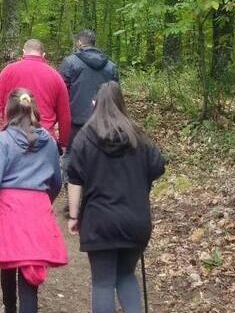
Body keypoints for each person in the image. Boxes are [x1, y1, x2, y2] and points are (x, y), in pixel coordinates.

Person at [66, 81, 165, 313]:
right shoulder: (138, 136)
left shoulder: (84, 137)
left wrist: (73, 216)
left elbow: (74, 179)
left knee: (103, 282)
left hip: (100, 221)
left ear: (95, 105)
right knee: (126, 275)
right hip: (135, 220)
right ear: (122, 104)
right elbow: (158, 167)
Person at [0, 89, 68, 313]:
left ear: (9, 111)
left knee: (9, 260)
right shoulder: (50, 142)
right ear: (34, 109)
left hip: (9, 208)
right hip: (38, 206)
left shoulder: (3, 140)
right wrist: (44, 200)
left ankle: (10, 308)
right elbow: (56, 181)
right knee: (30, 269)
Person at [0, 39, 71, 153]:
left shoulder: (8, 71)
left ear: (23, 52)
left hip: (12, 137)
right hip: (44, 139)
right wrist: (64, 142)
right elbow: (64, 114)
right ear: (43, 55)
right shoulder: (55, 77)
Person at [59, 30, 119, 176]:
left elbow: (61, 91)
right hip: (103, 119)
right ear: (94, 43)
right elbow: (116, 93)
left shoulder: (70, 62)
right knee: (99, 155)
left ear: (79, 42)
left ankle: (72, 187)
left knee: (71, 154)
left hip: (76, 119)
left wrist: (60, 117)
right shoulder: (110, 66)